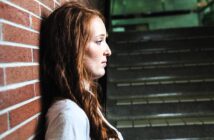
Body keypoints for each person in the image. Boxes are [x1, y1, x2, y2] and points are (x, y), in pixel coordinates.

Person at [34, 1, 123, 140]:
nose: (108, 51)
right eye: (99, 41)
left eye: (105, 40)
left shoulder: (86, 100)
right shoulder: (69, 115)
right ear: (73, 49)